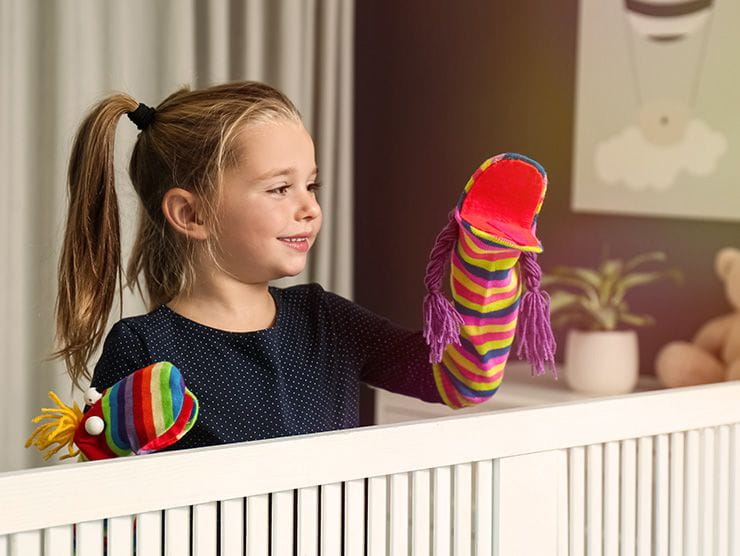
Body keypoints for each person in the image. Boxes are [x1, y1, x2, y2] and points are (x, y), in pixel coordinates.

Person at [51, 81, 548, 454]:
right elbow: (117, 508)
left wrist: (485, 263)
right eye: (279, 188)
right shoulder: (143, 347)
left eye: (312, 185)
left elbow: (462, 380)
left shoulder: (325, 321)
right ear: (191, 214)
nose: (308, 207)